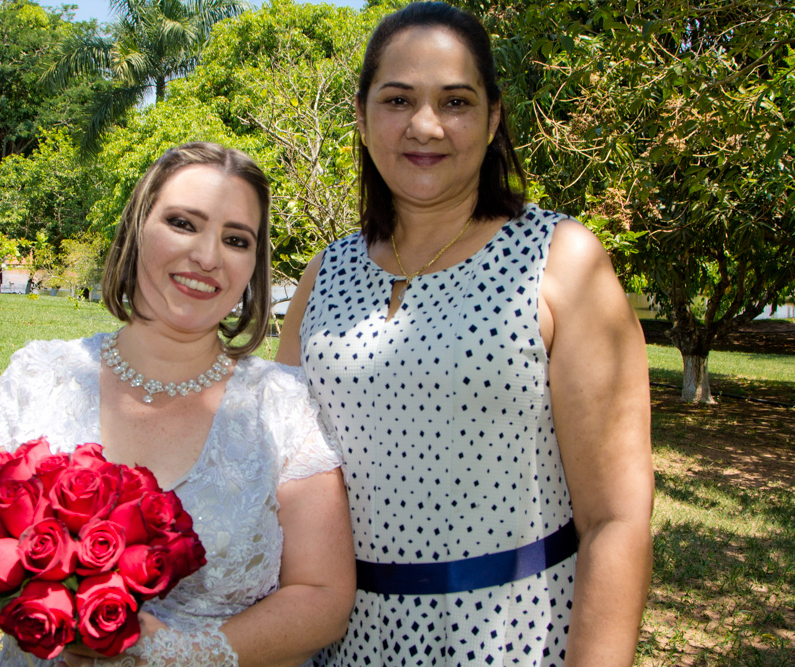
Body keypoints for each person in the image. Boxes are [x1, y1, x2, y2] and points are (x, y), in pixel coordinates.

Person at [276, 4, 654, 666]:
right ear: (361, 116)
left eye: (456, 101)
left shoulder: (561, 259)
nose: (425, 126)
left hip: (507, 638)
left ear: (493, 117)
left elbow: (615, 520)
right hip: (338, 642)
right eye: (398, 100)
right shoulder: (322, 274)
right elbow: (279, 476)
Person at [0, 142, 357, 667]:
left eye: (236, 239)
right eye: (182, 223)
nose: (208, 256)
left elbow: (323, 599)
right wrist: (57, 605)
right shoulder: (38, 376)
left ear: (252, 265)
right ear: (136, 228)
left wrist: (181, 653)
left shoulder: (283, 405)